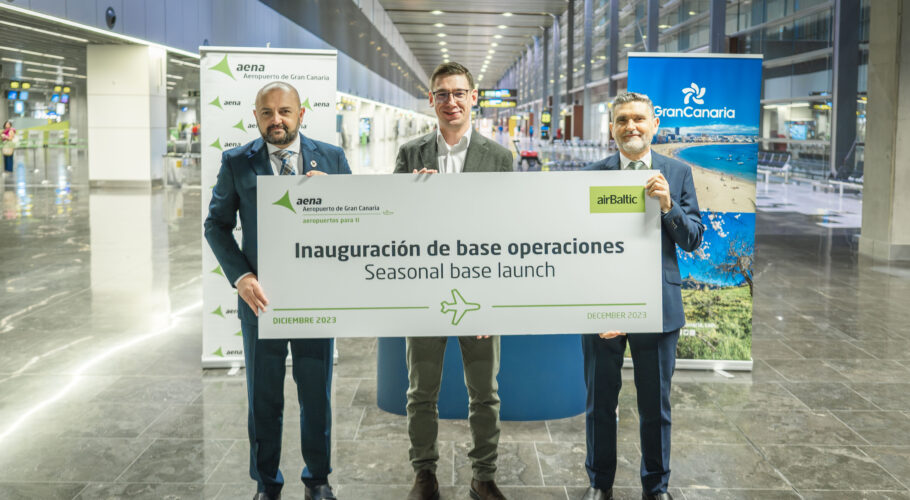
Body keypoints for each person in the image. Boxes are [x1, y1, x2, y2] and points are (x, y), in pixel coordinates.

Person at [204, 81, 350, 500]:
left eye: (285, 111)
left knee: (315, 395)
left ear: (301, 114)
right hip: (261, 301)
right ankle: (266, 482)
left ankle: (317, 479)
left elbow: (355, 221)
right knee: (263, 398)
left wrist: (335, 197)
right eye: (267, 113)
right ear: (255, 116)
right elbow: (216, 225)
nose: (276, 120)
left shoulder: (332, 158)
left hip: (313, 298)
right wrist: (241, 277)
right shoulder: (237, 162)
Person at [394, 61, 513, 500]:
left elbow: (508, 231)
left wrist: (493, 299)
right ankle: (424, 473)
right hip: (425, 289)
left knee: (485, 392)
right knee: (420, 391)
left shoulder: (498, 158)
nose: (451, 102)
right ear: (431, 100)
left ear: (473, 97)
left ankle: (484, 475)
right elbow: (392, 222)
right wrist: (411, 197)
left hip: (478, 291)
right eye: (442, 94)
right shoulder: (411, 154)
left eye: (459, 93)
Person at [579, 92, 704, 500]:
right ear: (611, 128)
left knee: (655, 405)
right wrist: (594, 306)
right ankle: (600, 483)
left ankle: (656, 486)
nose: (630, 126)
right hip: (604, 306)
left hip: (658, 307)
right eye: (622, 120)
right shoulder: (591, 175)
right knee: (600, 403)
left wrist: (668, 206)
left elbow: (693, 239)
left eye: (638, 119)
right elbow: (576, 241)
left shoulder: (677, 172)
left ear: (654, 125)